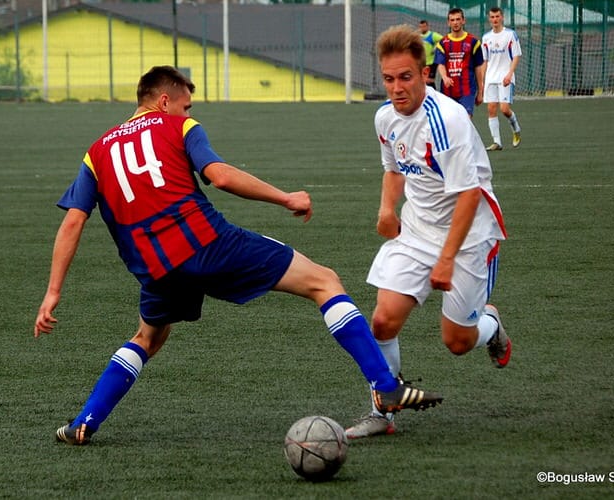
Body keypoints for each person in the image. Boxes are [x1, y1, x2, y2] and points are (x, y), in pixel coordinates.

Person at [33, 65, 442, 445]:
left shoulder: (97, 151)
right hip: (209, 244)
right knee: (324, 281)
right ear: (164, 101)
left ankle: (84, 423)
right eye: (185, 104)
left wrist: (52, 292)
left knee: (148, 337)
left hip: (155, 269)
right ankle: (385, 386)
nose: (188, 111)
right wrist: (286, 198)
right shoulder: (179, 126)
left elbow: (73, 222)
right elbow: (221, 176)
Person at [345, 25, 510, 439]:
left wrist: (448, 258)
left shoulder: (447, 121)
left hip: (469, 235)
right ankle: (383, 414)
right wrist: (386, 208)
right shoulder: (385, 116)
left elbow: (470, 195)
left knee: (457, 342)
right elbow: (394, 169)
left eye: (405, 77)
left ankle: (490, 325)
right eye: (388, 79)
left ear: (424, 74)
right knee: (382, 322)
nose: (396, 88)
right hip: (418, 231)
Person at [482, 6, 522, 151]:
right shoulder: (486, 38)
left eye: (497, 16)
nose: (495, 19)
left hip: (505, 76)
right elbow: (485, 60)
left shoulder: (510, 34)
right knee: (491, 109)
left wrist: (510, 73)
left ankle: (516, 128)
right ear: (489, 19)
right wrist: (482, 80)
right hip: (491, 78)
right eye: (492, 17)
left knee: (505, 109)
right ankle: (497, 142)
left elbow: (516, 55)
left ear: (502, 17)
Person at [434, 7, 485, 118]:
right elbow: (440, 64)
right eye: (452, 20)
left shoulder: (473, 42)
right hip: (448, 91)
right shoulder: (443, 43)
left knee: (465, 120)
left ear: (463, 21)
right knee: (450, 122)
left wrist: (480, 91)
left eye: (458, 19)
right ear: (448, 23)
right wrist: (445, 77)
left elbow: (478, 67)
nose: (455, 23)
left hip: (467, 90)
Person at [418, 19, 443, 88]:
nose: (423, 28)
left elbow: (443, 40)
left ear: (427, 27)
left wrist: (436, 48)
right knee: (423, 80)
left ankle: (434, 95)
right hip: (423, 62)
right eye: (421, 27)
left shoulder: (432, 35)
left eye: (424, 26)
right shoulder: (418, 37)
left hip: (431, 62)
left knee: (429, 81)